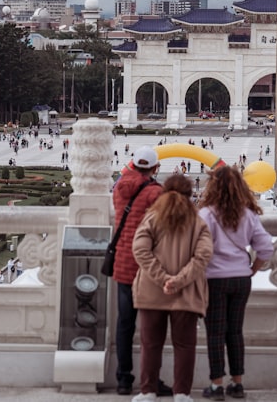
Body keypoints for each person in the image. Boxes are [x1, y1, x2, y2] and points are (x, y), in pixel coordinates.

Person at [131, 174, 213, 402]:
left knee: (150, 343)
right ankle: (182, 393)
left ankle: (148, 391)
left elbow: (139, 250)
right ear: (189, 195)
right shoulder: (198, 222)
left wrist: (162, 278)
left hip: (151, 291)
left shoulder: (152, 217)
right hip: (185, 293)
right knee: (185, 345)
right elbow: (203, 255)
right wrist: (178, 280)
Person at [197, 165, 274, 400]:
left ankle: (216, 384)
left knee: (215, 332)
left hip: (215, 279)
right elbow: (266, 248)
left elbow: (198, 248)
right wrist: (252, 269)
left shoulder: (207, 214)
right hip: (241, 278)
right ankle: (237, 382)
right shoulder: (248, 214)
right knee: (235, 331)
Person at [109, 146, 170, 397]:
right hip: (148, 267)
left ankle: (124, 379)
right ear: (155, 168)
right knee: (151, 328)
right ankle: (151, 381)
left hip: (123, 263)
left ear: (133, 165)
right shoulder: (156, 193)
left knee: (125, 324)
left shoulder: (119, 187)